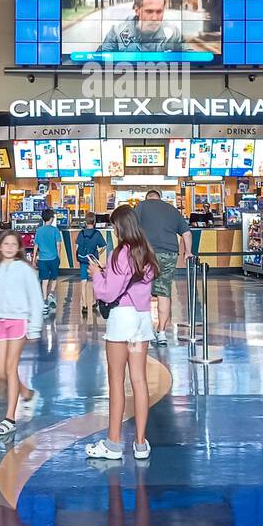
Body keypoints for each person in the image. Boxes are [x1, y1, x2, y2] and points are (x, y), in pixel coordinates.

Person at [86, 204, 158, 461]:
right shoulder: (146, 253)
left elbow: (108, 293)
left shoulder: (120, 253)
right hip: (141, 321)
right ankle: (140, 444)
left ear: (119, 227)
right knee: (139, 380)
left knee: (116, 381)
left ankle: (114, 444)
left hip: (121, 323)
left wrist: (96, 275)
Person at [0, 231, 46, 438]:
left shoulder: (25, 269)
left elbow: (36, 299)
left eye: (14, 244)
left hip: (19, 322)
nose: (10, 247)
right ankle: (27, 393)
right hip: (0, 322)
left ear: (19, 247)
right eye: (6, 243)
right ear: (0, 247)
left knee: (10, 368)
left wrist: (34, 327)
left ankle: (9, 418)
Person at [135, 189, 191, 347]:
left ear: (147, 198)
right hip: (169, 254)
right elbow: (186, 232)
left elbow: (128, 227)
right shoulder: (172, 209)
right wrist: (188, 252)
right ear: (160, 198)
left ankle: (147, 331)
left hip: (146, 254)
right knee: (164, 292)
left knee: (143, 291)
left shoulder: (141, 206)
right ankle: (161, 333)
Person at [99, 0, 185, 53]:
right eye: (149, 11)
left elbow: (193, 58)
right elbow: (98, 63)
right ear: (137, 10)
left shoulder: (173, 34)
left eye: (159, 12)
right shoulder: (117, 33)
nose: (155, 18)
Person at [74, 214, 106, 319]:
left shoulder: (81, 233)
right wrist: (98, 253)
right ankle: (92, 302)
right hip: (93, 261)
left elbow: (77, 246)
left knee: (83, 282)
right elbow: (104, 246)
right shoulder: (97, 234)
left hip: (83, 260)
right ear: (94, 221)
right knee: (93, 281)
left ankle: (84, 305)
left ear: (85, 221)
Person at [31, 208, 63, 312]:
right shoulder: (55, 230)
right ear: (52, 218)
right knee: (54, 278)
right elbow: (58, 245)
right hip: (53, 258)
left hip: (42, 259)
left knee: (44, 281)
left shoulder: (39, 230)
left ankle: (44, 301)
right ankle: (51, 294)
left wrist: (34, 258)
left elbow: (36, 245)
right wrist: (59, 256)